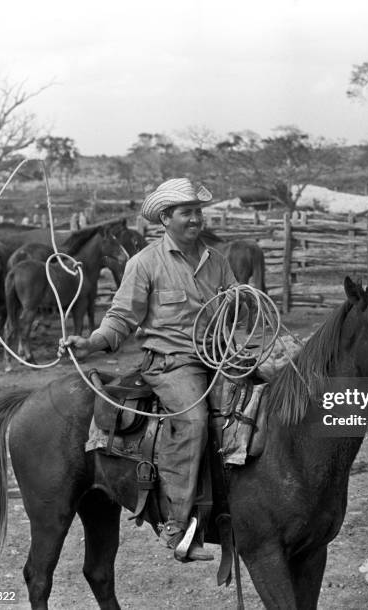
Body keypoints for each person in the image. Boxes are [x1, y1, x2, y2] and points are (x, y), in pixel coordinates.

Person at [59, 177, 239, 562]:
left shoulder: (218, 262)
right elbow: (122, 317)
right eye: (187, 212)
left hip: (219, 358)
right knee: (192, 419)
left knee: (260, 405)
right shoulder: (145, 263)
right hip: (172, 365)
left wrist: (246, 310)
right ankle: (176, 525)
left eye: (198, 211)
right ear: (165, 218)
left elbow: (235, 309)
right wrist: (91, 342)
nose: (196, 219)